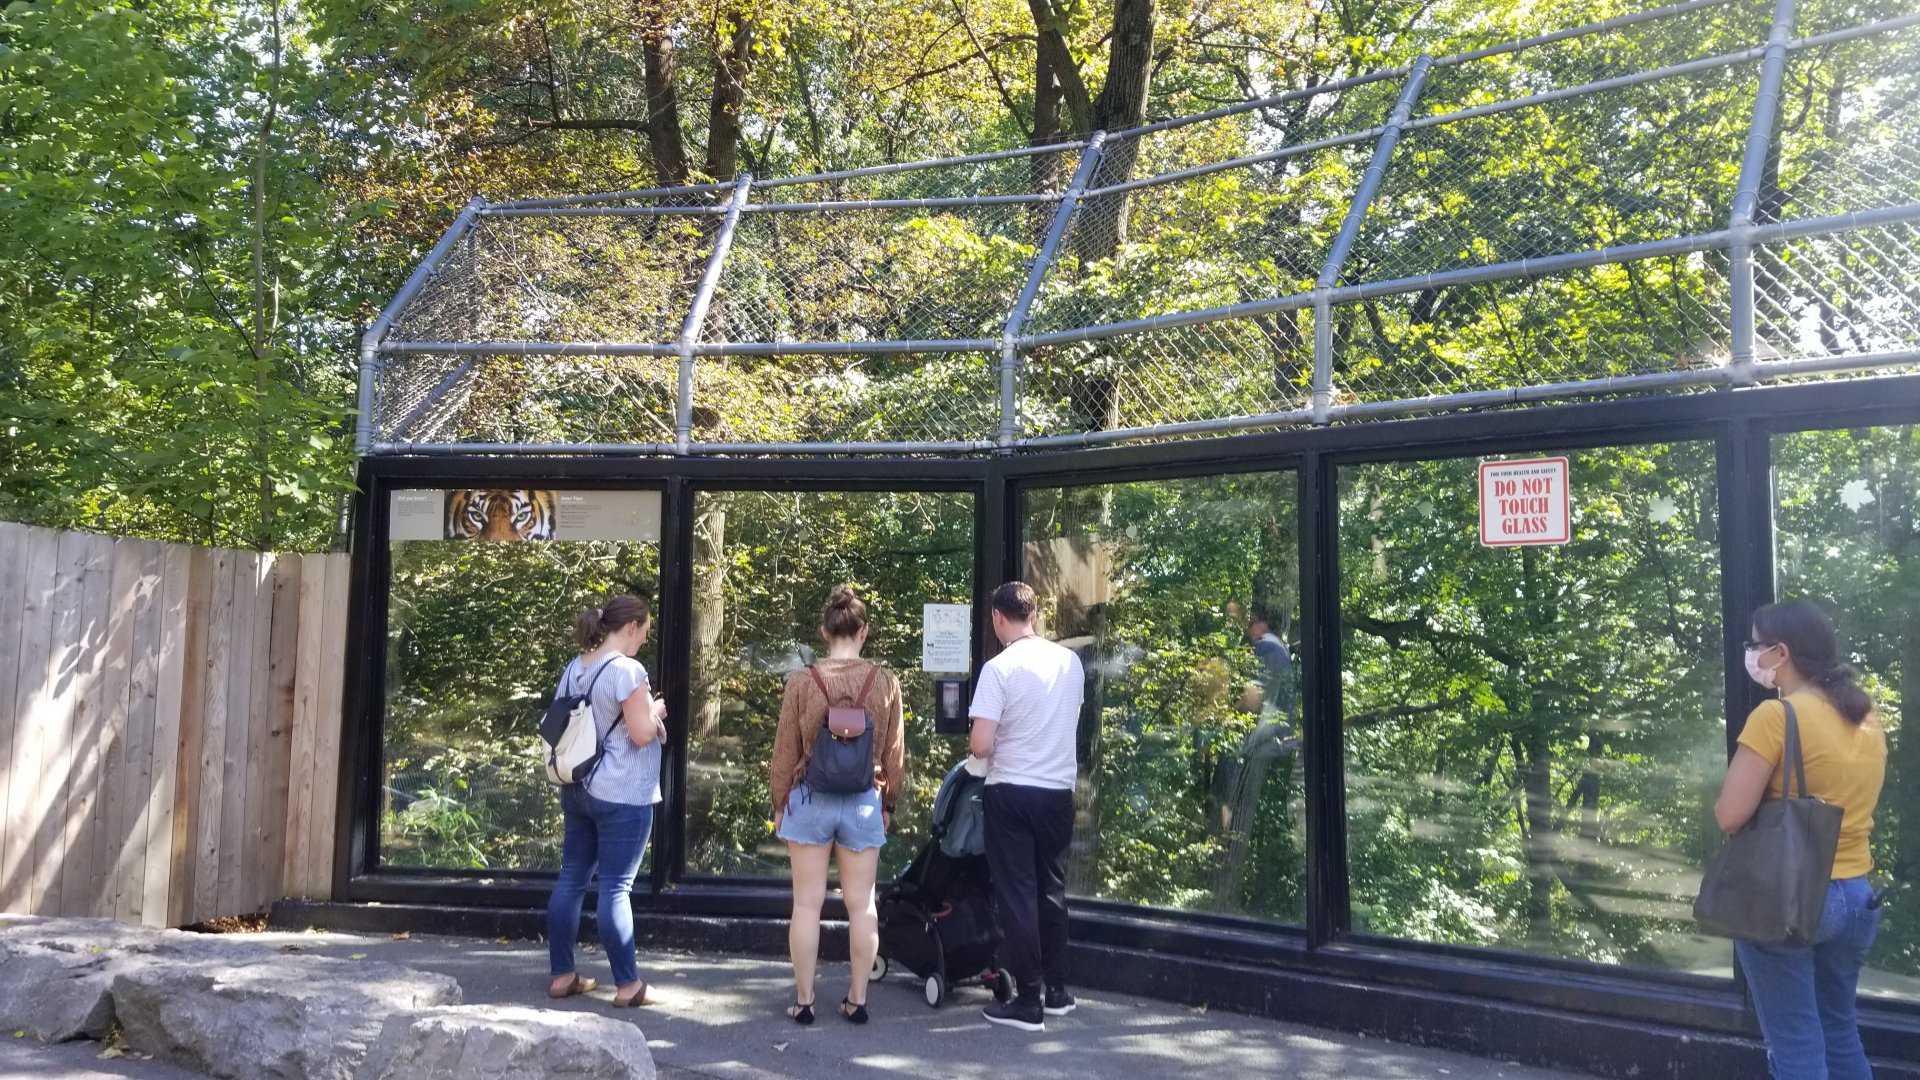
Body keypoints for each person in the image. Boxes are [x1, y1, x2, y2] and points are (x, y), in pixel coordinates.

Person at [1714, 599, 1887, 1080]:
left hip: (1790, 899)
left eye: (1754, 645)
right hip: (1857, 897)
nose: (1750, 655)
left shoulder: (1776, 718)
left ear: (1781, 652)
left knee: (1796, 1048)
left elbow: (1730, 815)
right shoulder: (1866, 716)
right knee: (1840, 1032)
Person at [768, 586, 906, 1025]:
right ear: (863, 632)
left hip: (809, 799)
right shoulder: (884, 682)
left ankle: (805, 1001)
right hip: (864, 803)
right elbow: (894, 754)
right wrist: (889, 801)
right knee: (862, 905)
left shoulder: (803, 681)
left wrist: (779, 802)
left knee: (806, 904)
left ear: (824, 631)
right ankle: (857, 999)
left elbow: (785, 752)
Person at [969, 581, 1086, 1032]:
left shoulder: (1000, 669)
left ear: (999, 618)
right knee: (1051, 888)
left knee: (1018, 894)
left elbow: (981, 744)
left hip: (1012, 792)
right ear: (1033, 614)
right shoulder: (1070, 663)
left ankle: (1028, 999)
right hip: (1058, 792)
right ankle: (1058, 990)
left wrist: (980, 742)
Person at [546, 595, 668, 1008]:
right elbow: (640, 734)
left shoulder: (574, 669)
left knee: (571, 878)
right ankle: (628, 986)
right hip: (621, 791)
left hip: (577, 787)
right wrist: (653, 710)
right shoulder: (627, 670)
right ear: (630, 626)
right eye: (644, 632)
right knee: (616, 888)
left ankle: (562, 975)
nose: (643, 641)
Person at [1246, 607, 1295, 718]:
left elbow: (1259, 690)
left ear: (1262, 624)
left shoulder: (1266, 645)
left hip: (1269, 717)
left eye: (1250, 626)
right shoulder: (1280, 646)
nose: (1249, 633)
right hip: (1283, 715)